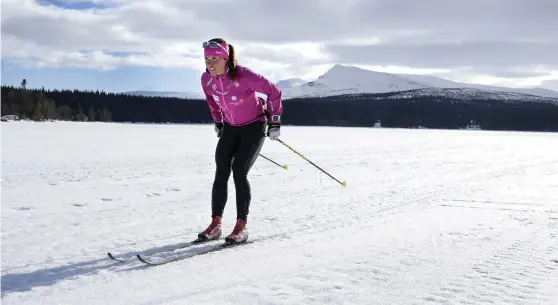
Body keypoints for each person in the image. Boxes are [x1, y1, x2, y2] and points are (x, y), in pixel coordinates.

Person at [197, 38, 283, 244]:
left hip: (254, 125)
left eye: (215, 59)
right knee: (221, 171)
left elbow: (274, 91)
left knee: (239, 171)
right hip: (231, 127)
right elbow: (212, 101)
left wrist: (274, 121)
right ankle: (216, 224)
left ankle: (241, 226)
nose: (210, 63)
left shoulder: (245, 75)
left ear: (226, 58)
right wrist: (218, 122)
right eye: (207, 58)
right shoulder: (206, 79)